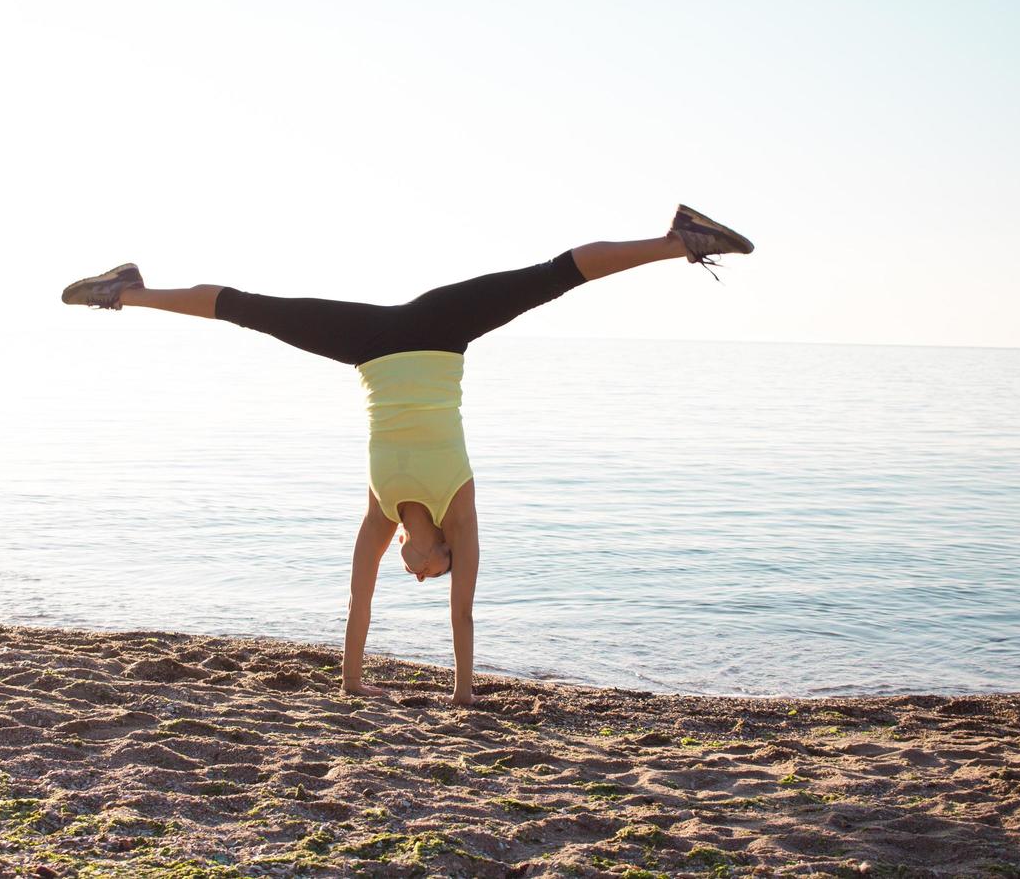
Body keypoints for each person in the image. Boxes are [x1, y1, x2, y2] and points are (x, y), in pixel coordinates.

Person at [61, 205, 754, 706]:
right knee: (550, 276)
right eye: (431, 576)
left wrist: (353, 683)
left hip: (370, 343)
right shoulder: (460, 506)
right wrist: (462, 696)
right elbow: (464, 617)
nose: (418, 580)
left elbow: (356, 605)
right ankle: (678, 238)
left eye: (418, 578)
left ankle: (126, 290)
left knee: (251, 309)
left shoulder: (379, 515)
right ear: (442, 556)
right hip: (441, 329)